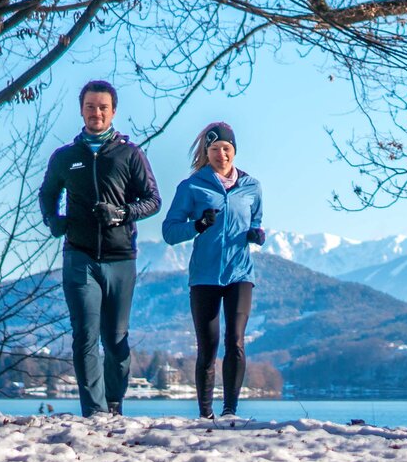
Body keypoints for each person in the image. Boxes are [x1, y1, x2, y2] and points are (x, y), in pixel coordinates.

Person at [38, 79, 160, 417]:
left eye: (103, 107)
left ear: (113, 111)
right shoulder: (65, 157)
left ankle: (114, 403)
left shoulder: (130, 154)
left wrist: (122, 213)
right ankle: (93, 411)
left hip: (121, 258)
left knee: (116, 340)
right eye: (90, 106)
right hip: (79, 255)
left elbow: (153, 201)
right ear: (82, 110)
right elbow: (47, 193)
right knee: (84, 335)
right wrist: (53, 219)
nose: (96, 112)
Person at [162, 121, 264, 419]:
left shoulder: (252, 187)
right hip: (204, 276)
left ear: (235, 151)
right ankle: (205, 413)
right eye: (216, 149)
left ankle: (230, 411)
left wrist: (256, 235)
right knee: (208, 346)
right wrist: (197, 225)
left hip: (240, 274)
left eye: (227, 149)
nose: (222, 154)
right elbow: (169, 232)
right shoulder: (191, 187)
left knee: (236, 340)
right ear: (207, 152)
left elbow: (255, 222)